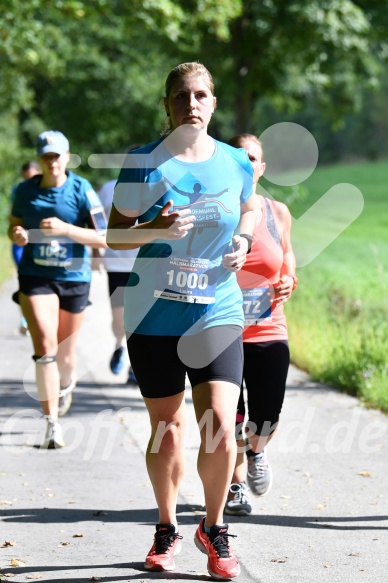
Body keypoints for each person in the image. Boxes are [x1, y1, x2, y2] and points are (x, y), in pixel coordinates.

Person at [107, 62, 255, 580]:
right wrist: (156, 226)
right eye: (180, 96)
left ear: (212, 102)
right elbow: (115, 237)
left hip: (217, 308)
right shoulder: (144, 162)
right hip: (154, 314)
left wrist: (244, 240)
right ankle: (167, 526)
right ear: (167, 106)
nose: (191, 103)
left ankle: (213, 528)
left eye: (200, 95)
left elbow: (250, 208)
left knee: (218, 425)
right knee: (166, 432)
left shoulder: (237, 161)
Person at [8, 130, 107, 449]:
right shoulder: (24, 191)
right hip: (36, 275)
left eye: (57, 156)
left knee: (66, 356)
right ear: (40, 159)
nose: (52, 162)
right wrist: (18, 234)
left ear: (67, 157)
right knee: (46, 347)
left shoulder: (82, 190)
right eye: (46, 156)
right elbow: (13, 225)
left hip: (74, 278)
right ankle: (52, 423)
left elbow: (104, 235)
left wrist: (66, 229)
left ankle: (65, 383)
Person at [224, 133, 297, 516]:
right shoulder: (215, 210)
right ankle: (235, 486)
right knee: (229, 416)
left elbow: (286, 253)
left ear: (261, 167)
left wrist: (288, 278)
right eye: (238, 156)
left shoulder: (277, 211)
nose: (246, 163)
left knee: (266, 415)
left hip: (269, 328)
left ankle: (256, 453)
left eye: (252, 157)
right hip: (220, 330)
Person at [97, 146, 141, 384]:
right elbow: (97, 224)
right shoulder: (108, 189)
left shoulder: (156, 189)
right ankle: (119, 345)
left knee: (140, 319)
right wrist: (96, 250)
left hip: (145, 265)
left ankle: (135, 368)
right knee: (119, 319)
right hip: (116, 265)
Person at [10, 161, 41, 334]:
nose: (28, 180)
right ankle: (25, 318)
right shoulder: (19, 190)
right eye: (25, 178)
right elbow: (13, 217)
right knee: (25, 280)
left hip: (39, 243)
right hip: (20, 244)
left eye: (31, 177)